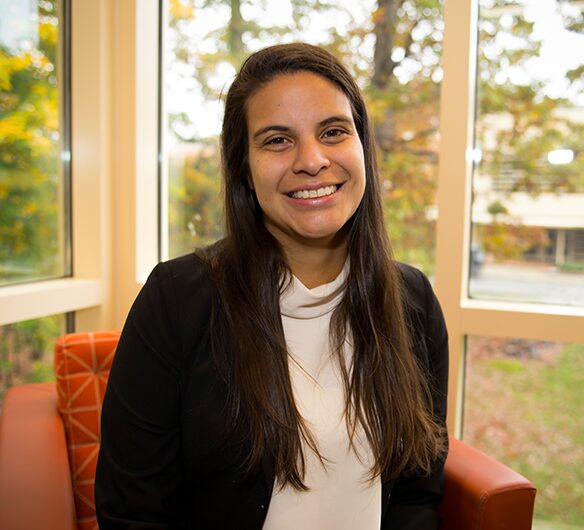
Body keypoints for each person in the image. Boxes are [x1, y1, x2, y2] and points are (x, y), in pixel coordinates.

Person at [95, 42, 449, 529]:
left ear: (362, 147)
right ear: (243, 165)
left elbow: (416, 497)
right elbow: (132, 511)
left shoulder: (414, 301)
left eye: (333, 131)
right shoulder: (175, 299)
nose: (311, 160)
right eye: (277, 140)